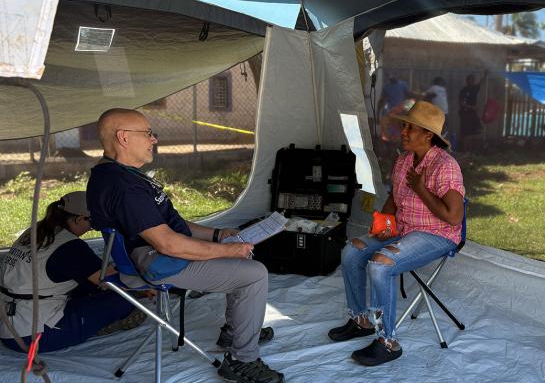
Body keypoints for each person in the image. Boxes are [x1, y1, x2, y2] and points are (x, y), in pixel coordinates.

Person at [86, 108, 283, 383]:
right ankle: (242, 361)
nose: (153, 139)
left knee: (243, 263)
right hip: (155, 263)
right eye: (147, 133)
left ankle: (235, 330)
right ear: (123, 137)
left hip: (160, 252)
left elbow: (171, 225)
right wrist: (229, 250)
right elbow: (167, 243)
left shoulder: (120, 174)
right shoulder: (123, 187)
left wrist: (218, 236)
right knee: (254, 274)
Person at [328, 101, 465, 366]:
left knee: (380, 266)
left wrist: (421, 189)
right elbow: (395, 198)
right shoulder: (403, 160)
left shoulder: (446, 166)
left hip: (436, 234)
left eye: (410, 128)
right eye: (403, 126)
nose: (403, 132)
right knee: (351, 251)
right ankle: (361, 320)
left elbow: (453, 216)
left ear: (428, 134)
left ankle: (387, 342)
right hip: (403, 227)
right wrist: (383, 223)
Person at [0, 192, 143, 353]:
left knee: (87, 286)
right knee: (124, 300)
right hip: (33, 336)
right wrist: (145, 284)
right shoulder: (70, 247)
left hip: (9, 323)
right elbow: (111, 282)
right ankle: (96, 325)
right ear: (79, 219)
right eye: (92, 222)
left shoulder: (36, 231)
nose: (92, 228)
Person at [457, 71, 487, 151]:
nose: (473, 81)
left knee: (476, 130)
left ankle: (469, 149)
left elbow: (481, 83)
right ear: (467, 81)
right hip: (465, 113)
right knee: (465, 132)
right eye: (471, 80)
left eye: (473, 80)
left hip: (472, 113)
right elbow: (461, 103)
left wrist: (485, 74)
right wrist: (472, 107)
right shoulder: (464, 90)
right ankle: (464, 149)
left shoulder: (474, 88)